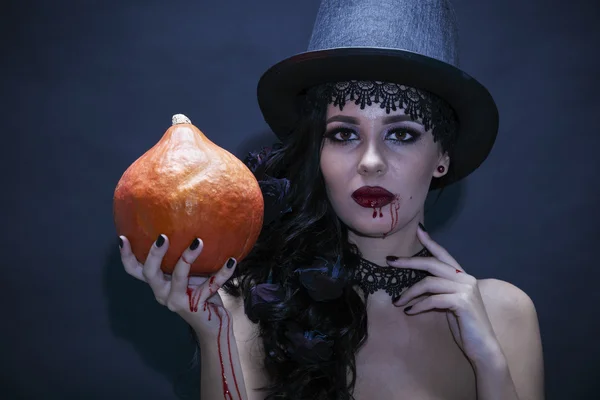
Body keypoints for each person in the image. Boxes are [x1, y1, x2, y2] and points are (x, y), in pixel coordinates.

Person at [119, 0, 544, 399]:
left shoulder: (505, 313)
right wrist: (214, 334)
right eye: (344, 134)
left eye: (401, 134)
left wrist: (489, 362)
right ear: (316, 151)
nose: (371, 163)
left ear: (442, 158)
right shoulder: (255, 304)